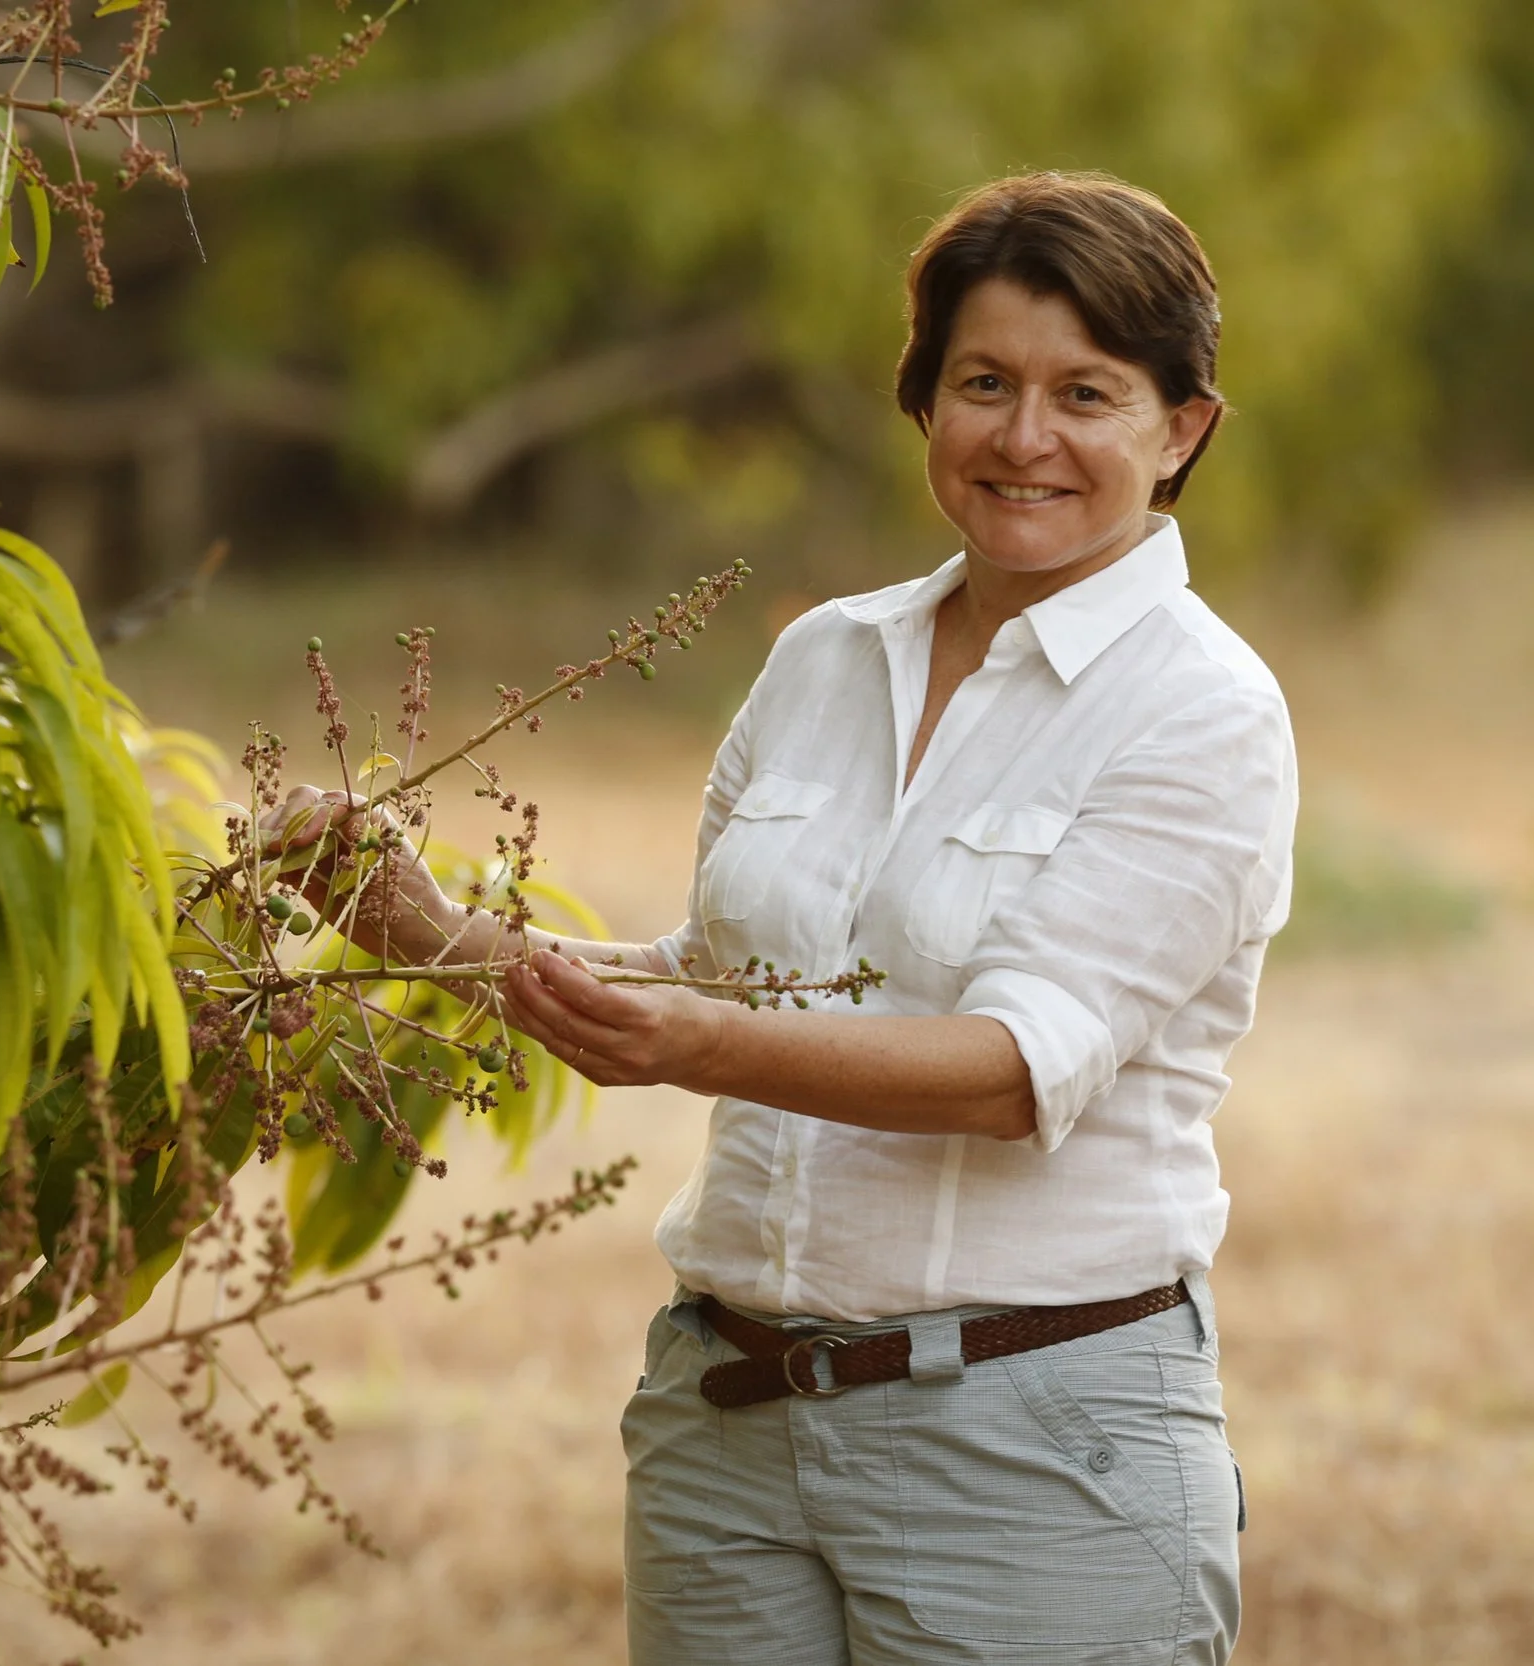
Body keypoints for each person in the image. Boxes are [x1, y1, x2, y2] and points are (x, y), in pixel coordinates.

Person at [275, 171, 1295, 1665]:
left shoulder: (1203, 709)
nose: (1025, 437)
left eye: (1088, 392)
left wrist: (697, 1042)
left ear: (1181, 428)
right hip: (727, 1421)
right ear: (923, 401)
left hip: (1031, 1435)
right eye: (984, 383)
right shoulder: (827, 656)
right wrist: (423, 928)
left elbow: (1015, 1071)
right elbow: (717, 978)